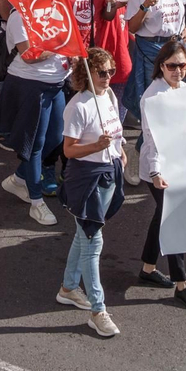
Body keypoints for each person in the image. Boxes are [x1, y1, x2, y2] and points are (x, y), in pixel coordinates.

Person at [57, 47, 127, 338]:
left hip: (110, 172)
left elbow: (116, 135)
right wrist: (96, 147)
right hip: (86, 179)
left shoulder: (108, 97)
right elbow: (68, 150)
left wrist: (120, 154)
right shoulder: (78, 105)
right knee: (92, 241)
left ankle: (68, 288)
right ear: (86, 74)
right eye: (102, 72)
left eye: (111, 71)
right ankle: (98, 310)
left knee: (84, 235)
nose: (108, 77)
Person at [0, 0, 67, 226]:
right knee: (35, 145)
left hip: (56, 83)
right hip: (30, 86)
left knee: (55, 138)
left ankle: (18, 179)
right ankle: (36, 202)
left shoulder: (52, 9)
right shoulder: (18, 16)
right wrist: (61, 46)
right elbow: (29, 56)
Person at [136, 40, 186, 307]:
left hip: (180, 164)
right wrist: (154, 172)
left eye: (183, 65)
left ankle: (148, 268)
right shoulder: (153, 98)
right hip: (160, 168)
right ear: (161, 66)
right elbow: (151, 139)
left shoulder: (185, 89)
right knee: (174, 218)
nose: (178, 71)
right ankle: (181, 283)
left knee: (161, 217)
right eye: (172, 66)